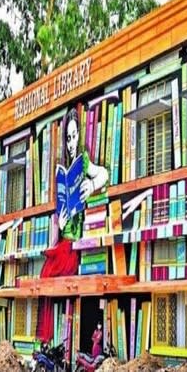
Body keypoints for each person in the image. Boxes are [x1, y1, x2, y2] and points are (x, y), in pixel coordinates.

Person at [40, 107, 109, 277]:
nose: (71, 143)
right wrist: (61, 225)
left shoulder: (83, 161)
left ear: (79, 134)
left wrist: (92, 185)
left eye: (73, 136)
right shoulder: (62, 167)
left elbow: (104, 173)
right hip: (63, 240)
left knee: (52, 272)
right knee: (46, 273)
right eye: (68, 138)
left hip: (76, 242)